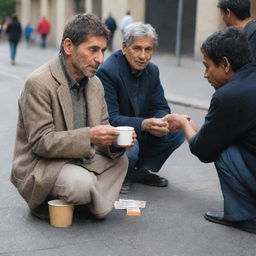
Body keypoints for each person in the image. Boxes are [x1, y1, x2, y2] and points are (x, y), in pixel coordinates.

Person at [11, 13, 135, 220]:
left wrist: (115, 143)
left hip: (82, 159)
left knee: (122, 161)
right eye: (93, 50)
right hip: (44, 163)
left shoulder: (95, 83)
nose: (100, 59)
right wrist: (91, 136)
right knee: (81, 184)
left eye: (103, 51)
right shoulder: (38, 83)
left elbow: (102, 129)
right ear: (69, 47)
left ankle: (85, 201)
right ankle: (69, 196)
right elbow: (42, 143)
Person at [164, 26, 256, 233]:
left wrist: (183, 124)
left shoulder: (229, 95)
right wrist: (199, 131)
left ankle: (245, 215)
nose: (205, 75)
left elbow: (204, 151)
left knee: (223, 151)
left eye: (207, 67)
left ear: (225, 64)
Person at [97, 22, 185, 194]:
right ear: (124, 47)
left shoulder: (152, 71)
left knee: (178, 130)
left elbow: (160, 105)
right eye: (137, 48)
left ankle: (138, 170)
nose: (143, 56)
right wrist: (144, 124)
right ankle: (121, 173)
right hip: (117, 135)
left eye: (148, 49)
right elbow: (111, 117)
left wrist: (163, 121)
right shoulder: (108, 71)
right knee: (128, 141)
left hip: (142, 131)